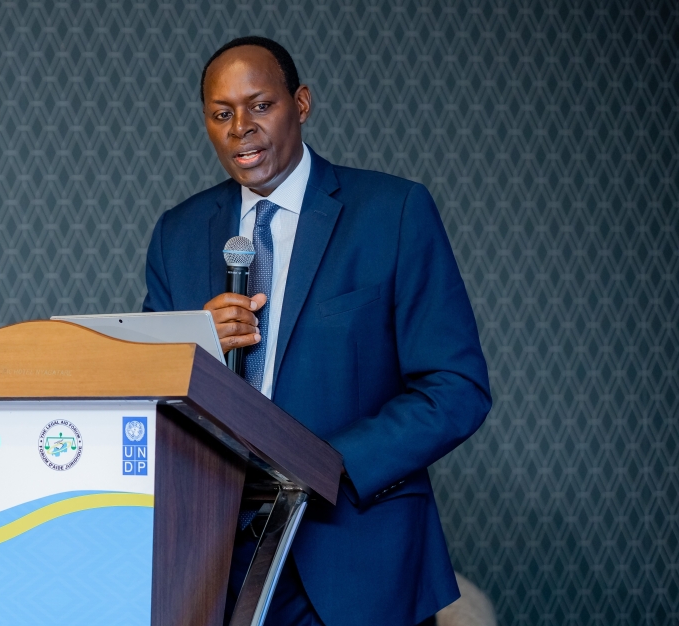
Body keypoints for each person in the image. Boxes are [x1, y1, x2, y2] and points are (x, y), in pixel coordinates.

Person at [142, 37, 492, 626]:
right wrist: (196, 343)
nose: (240, 128)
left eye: (260, 105)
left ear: (300, 103)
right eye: (221, 113)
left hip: (354, 553)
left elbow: (456, 387)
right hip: (214, 564)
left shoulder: (392, 211)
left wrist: (324, 466)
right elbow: (151, 395)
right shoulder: (178, 232)